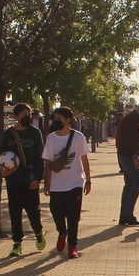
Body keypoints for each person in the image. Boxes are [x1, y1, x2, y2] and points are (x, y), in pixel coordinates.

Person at [0, 102, 46, 257]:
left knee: (33, 210)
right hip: (13, 180)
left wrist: (38, 178)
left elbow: (40, 158)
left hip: (30, 179)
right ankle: (17, 243)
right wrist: (3, 172)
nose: (28, 117)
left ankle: (38, 231)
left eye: (29, 114)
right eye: (24, 115)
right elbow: (1, 156)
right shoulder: (8, 134)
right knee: (15, 212)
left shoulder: (35, 133)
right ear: (16, 117)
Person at [42, 107, 91, 259]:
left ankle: (72, 245)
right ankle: (62, 232)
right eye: (54, 117)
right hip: (57, 183)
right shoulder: (51, 138)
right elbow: (48, 162)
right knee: (56, 213)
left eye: (59, 118)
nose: (56, 120)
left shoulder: (78, 137)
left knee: (73, 215)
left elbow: (84, 159)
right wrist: (47, 182)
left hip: (75, 182)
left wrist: (88, 180)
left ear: (68, 120)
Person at [114, 99, 139, 225]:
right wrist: (134, 156)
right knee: (138, 183)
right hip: (129, 156)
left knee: (130, 184)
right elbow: (127, 139)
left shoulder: (137, 118)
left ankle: (124, 215)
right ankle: (127, 214)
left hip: (127, 155)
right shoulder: (133, 119)